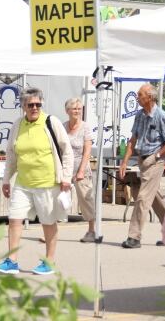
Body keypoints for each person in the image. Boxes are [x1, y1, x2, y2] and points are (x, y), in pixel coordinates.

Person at [0, 88, 73, 274]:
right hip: (23, 183)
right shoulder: (18, 125)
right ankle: (12, 260)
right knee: (14, 219)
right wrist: (6, 180)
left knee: (48, 222)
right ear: (23, 106)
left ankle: (49, 262)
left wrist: (66, 177)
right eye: (30, 105)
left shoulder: (51, 122)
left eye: (38, 104)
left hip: (47, 183)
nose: (35, 108)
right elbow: (11, 155)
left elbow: (67, 151)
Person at [118, 84, 165, 249]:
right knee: (154, 198)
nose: (137, 97)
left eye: (140, 94)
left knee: (143, 198)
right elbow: (133, 140)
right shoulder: (140, 115)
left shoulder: (160, 115)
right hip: (142, 160)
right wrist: (124, 162)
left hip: (154, 161)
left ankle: (134, 237)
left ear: (149, 97)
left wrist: (156, 155)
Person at [63, 97, 96, 243]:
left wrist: (81, 171)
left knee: (85, 199)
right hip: (66, 168)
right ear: (67, 111)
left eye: (79, 109)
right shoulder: (63, 127)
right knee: (56, 198)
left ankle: (92, 230)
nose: (77, 111)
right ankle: (50, 231)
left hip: (81, 167)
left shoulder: (85, 127)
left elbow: (87, 150)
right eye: (74, 109)